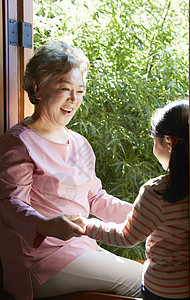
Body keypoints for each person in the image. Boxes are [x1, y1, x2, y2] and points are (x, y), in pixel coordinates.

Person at [0, 41, 143, 300]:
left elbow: (95, 198)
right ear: (37, 88)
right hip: (40, 260)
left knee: (153, 275)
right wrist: (45, 226)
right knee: (146, 282)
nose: (73, 100)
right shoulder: (19, 142)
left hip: (82, 250)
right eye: (65, 89)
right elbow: (10, 203)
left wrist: (148, 215)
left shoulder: (79, 143)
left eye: (80, 91)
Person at [82, 100, 190, 300]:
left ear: (168, 141)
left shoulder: (157, 191)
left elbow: (126, 237)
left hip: (161, 289)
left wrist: (85, 226)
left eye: (153, 140)